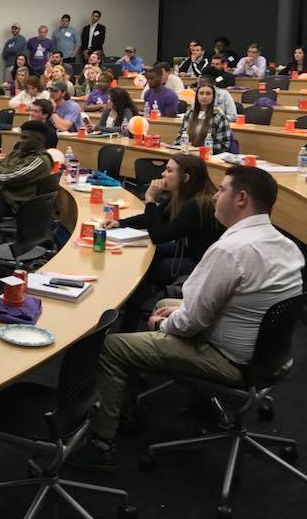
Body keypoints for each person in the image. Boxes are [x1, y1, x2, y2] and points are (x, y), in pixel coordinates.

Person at [71, 166, 304, 469]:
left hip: (231, 360)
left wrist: (164, 324)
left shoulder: (230, 250)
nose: (216, 196)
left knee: (113, 346)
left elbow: (190, 324)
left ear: (241, 198)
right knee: (170, 301)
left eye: (222, 190)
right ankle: (201, 403)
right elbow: (232, 303)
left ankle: (103, 444)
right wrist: (177, 312)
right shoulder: (286, 246)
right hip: (269, 355)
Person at [105, 155, 225, 331]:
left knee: (151, 265)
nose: (162, 174)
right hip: (188, 250)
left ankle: (132, 315)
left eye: (169, 171)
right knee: (143, 252)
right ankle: (131, 307)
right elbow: (152, 218)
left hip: (201, 263)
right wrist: (121, 223)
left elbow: (158, 235)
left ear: (185, 178)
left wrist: (150, 199)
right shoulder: (183, 195)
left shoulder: (197, 204)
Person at [174, 83, 233, 153]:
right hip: (187, 152)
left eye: (208, 94)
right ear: (197, 96)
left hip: (207, 155)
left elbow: (224, 145)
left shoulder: (219, 116)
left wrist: (200, 149)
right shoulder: (189, 113)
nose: (204, 96)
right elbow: (180, 137)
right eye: (201, 93)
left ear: (213, 97)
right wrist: (174, 146)